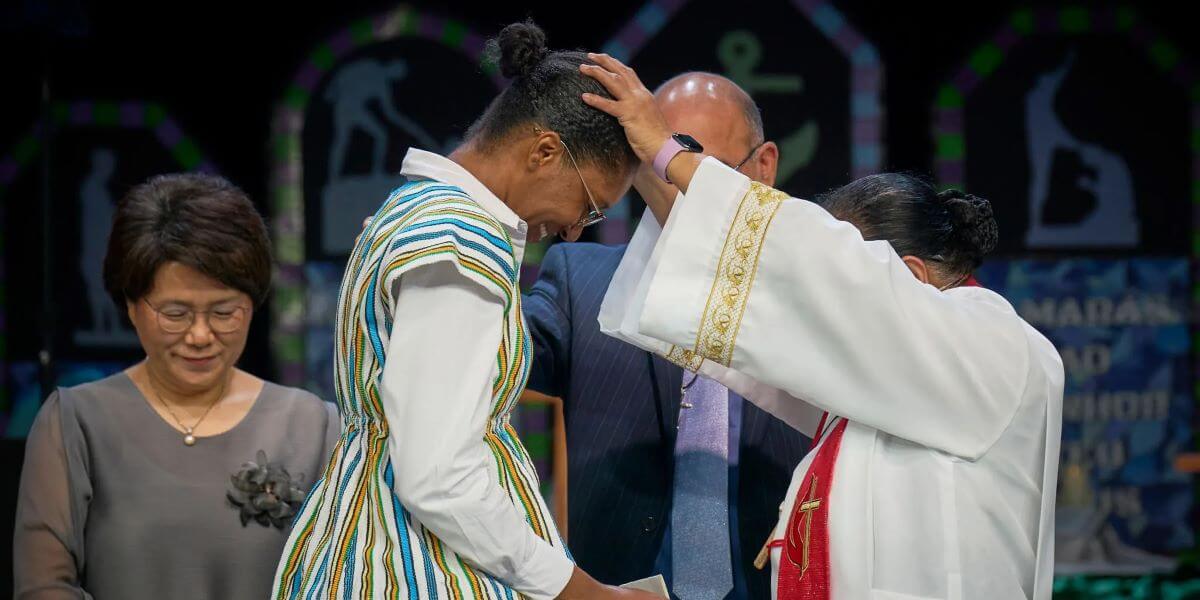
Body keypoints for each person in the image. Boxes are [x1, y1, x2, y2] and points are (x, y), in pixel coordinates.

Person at [582, 53, 1065, 599]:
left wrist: (671, 153)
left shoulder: (993, 345)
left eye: (841, 283)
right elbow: (764, 319)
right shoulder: (884, 384)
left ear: (908, 277)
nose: (817, 300)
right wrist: (651, 173)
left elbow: (805, 258)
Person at [272, 22, 656, 600]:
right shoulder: (458, 240)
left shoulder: (413, 209)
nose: (576, 231)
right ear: (545, 151)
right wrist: (581, 592)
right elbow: (439, 477)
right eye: (589, 204)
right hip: (419, 567)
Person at [523, 71, 807, 599]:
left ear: (764, 167)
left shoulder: (813, 293)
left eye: (704, 170)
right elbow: (494, 353)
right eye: (657, 167)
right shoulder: (581, 283)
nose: (681, 189)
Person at [14, 173, 340, 599]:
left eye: (224, 312)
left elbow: (343, 579)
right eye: (175, 313)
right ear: (131, 306)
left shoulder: (313, 426)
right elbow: (44, 587)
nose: (201, 334)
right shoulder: (76, 424)